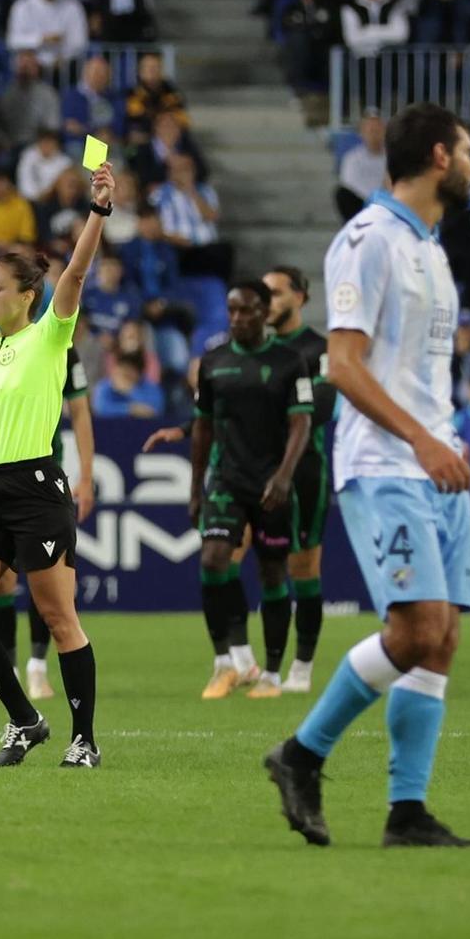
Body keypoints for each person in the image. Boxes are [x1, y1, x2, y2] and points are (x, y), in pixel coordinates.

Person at [265, 103, 470, 849]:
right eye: (467, 152)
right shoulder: (367, 239)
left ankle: (408, 811)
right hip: (387, 462)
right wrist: (424, 440)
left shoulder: (431, 245)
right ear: (435, 156)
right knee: (414, 626)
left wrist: (443, 438)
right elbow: (344, 365)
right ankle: (300, 752)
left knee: (443, 635)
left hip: (432, 458)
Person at [0, 159, 114, 769]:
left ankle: (83, 739)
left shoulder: (49, 335)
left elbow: (79, 271)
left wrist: (99, 209)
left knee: (60, 616)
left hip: (38, 488)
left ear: (26, 295)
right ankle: (25, 719)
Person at [174, 282, 313, 700]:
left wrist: (285, 475)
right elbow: (202, 428)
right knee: (214, 560)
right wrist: (196, 488)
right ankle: (228, 660)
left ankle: (271, 673)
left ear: (265, 312)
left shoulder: (290, 362)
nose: (237, 318)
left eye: (247, 311)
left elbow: (301, 423)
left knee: (273, 573)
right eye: (232, 311)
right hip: (227, 481)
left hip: (271, 484)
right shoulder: (214, 361)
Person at [0, 359, 95, 703]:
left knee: (43, 579)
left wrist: (87, 477)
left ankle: (36, 668)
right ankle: (10, 671)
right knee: (0, 579)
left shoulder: (56, 346)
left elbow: (79, 412)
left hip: (41, 480)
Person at [263, 265, 338, 692]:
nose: (268, 300)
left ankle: (302, 668)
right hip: (255, 470)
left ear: (300, 298)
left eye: (276, 292)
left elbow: (322, 406)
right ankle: (244, 660)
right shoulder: (252, 349)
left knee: (304, 566)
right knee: (251, 562)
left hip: (305, 471)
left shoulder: (317, 349)